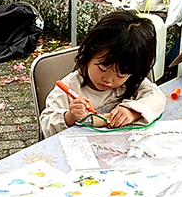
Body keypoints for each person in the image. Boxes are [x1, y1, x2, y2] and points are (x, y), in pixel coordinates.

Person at [40, 10, 166, 138]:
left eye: (120, 75)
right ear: (88, 54)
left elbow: (157, 97)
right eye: (102, 68)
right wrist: (70, 117)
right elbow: (47, 125)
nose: (108, 80)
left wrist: (132, 112)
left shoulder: (130, 81)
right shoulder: (70, 88)